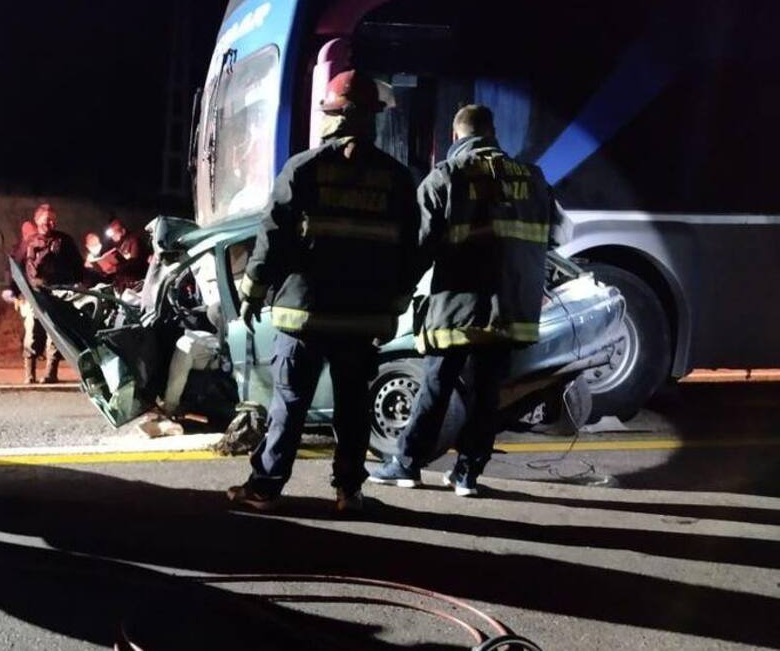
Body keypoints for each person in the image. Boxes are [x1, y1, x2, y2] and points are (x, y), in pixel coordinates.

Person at [227, 70, 422, 513]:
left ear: (332, 117)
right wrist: (395, 300)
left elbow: (272, 236)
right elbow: (411, 249)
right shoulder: (395, 178)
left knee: (289, 404)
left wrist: (253, 292)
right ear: (373, 119)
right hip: (361, 318)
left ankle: (266, 488)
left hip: (304, 315)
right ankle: (348, 491)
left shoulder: (304, 168)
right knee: (352, 407)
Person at [368, 104, 565, 496]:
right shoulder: (534, 178)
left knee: (437, 385)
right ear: (492, 134)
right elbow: (553, 235)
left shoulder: (447, 177)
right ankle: (467, 474)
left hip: (458, 306)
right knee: (487, 392)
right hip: (510, 309)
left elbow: (416, 251)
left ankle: (406, 463)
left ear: (456, 137)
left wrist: (391, 304)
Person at [12, 203, 82, 384]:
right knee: (32, 333)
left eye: (52, 220)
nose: (49, 223)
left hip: (58, 294)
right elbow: (15, 265)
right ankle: (29, 373)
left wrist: (78, 284)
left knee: (55, 335)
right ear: (37, 221)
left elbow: (77, 266)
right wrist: (13, 290)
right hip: (34, 295)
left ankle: (51, 372)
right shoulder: (28, 242)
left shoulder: (65, 241)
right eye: (45, 220)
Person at [104, 218, 148, 288]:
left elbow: (135, 262)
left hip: (137, 282)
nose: (113, 236)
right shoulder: (119, 245)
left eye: (114, 233)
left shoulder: (133, 241)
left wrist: (116, 268)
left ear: (123, 231)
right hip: (124, 284)